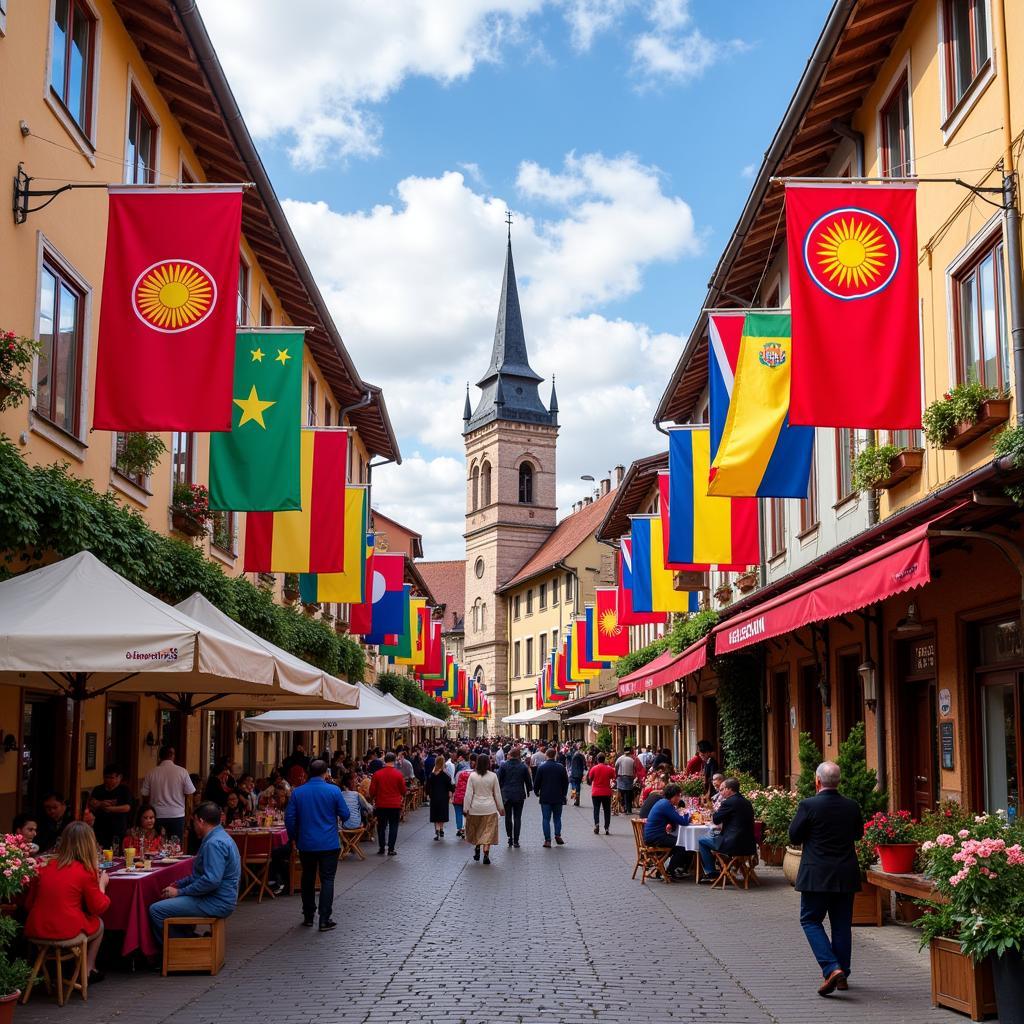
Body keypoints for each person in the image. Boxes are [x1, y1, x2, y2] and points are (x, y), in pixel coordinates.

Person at [788, 761, 863, 997]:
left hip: (816, 874)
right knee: (841, 925)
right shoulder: (852, 806)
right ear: (838, 782)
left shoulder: (808, 805)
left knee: (810, 920)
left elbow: (794, 834)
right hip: (845, 873)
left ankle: (831, 968)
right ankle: (842, 974)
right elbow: (858, 834)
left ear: (817, 781)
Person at [26, 821, 110, 985]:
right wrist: (102, 885)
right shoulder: (85, 871)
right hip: (65, 930)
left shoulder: (44, 865)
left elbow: (29, 904)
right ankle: (88, 970)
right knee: (99, 924)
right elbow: (98, 907)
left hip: (36, 927)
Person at [149, 801, 241, 946]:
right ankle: (191, 940)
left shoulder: (213, 843)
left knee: (156, 910)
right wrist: (179, 885)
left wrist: (179, 892)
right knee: (168, 903)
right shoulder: (221, 836)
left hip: (215, 901)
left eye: (193, 822)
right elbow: (201, 876)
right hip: (219, 898)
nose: (192, 826)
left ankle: (180, 949)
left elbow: (211, 881)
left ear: (201, 821)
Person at [285, 760, 350, 931]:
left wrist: (294, 837)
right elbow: (345, 814)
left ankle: (308, 916)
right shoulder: (334, 790)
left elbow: (289, 819)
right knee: (327, 880)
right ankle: (324, 918)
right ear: (325, 773)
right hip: (328, 842)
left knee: (308, 877)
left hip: (306, 843)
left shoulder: (298, 793)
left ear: (308, 773)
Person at [698, 777, 757, 882]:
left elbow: (716, 820)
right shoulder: (746, 802)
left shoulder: (728, 802)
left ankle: (711, 872)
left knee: (702, 840)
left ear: (729, 789)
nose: (720, 792)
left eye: (722, 789)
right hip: (749, 845)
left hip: (733, 845)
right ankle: (725, 868)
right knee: (713, 835)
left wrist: (712, 810)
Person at [141, 746, 196, 841]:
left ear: (160, 757)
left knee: (157, 845)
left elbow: (145, 795)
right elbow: (190, 795)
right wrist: (188, 818)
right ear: (172, 756)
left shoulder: (151, 773)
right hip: (177, 815)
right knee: (176, 847)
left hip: (157, 815)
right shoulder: (182, 772)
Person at [642, 783, 692, 880]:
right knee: (683, 845)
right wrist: (687, 814)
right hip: (656, 837)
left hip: (651, 836)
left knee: (677, 843)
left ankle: (659, 867)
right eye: (678, 796)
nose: (679, 798)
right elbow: (683, 822)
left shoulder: (662, 802)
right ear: (674, 796)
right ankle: (670, 871)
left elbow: (672, 820)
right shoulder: (666, 805)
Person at [462, 753, 504, 865]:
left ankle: (477, 847)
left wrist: (465, 808)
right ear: (488, 763)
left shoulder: (472, 776)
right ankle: (486, 853)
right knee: (488, 831)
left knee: (477, 829)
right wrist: (501, 808)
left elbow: (468, 794)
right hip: (489, 808)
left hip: (475, 808)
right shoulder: (493, 776)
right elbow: (497, 794)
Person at [88, 764, 134, 849]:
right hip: (100, 828)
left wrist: (110, 809)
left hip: (118, 829)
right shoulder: (98, 789)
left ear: (119, 777)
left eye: (111, 778)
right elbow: (91, 803)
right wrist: (100, 803)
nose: (108, 780)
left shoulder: (124, 790)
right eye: (106, 777)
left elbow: (127, 807)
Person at [368, 752, 406, 856]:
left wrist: (373, 798)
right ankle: (391, 848)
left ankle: (381, 847)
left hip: (381, 804)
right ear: (394, 761)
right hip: (394, 805)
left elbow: (372, 790)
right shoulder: (398, 774)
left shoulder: (377, 774)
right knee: (394, 826)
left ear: (384, 761)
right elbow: (403, 790)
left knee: (381, 826)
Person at [497, 746, 532, 849]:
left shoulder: (504, 766)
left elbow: (499, 780)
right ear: (518, 756)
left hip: (506, 794)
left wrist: (499, 791)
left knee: (508, 817)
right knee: (517, 817)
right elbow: (528, 780)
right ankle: (516, 840)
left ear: (510, 755)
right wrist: (529, 790)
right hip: (519, 794)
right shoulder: (523, 766)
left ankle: (509, 838)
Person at [534, 748, 569, 849]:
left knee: (546, 818)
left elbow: (537, 782)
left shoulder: (542, 767)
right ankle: (557, 835)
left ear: (546, 755)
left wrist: (537, 792)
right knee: (557, 818)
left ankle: (547, 840)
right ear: (555, 755)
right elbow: (565, 783)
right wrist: (564, 794)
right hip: (558, 796)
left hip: (545, 797)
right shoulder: (561, 767)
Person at [426, 756, 455, 840]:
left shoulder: (432, 775)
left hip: (434, 796)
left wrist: (428, 794)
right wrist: (451, 792)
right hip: (443, 797)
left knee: (435, 813)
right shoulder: (445, 775)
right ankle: (441, 829)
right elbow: (451, 786)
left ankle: (437, 830)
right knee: (442, 813)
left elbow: (428, 786)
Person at [586, 753, 616, 835]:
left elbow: (590, 780)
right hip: (606, 792)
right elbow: (614, 777)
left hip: (596, 792)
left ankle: (597, 824)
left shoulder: (594, 768)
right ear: (604, 759)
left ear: (597, 760)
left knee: (596, 809)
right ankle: (606, 827)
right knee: (607, 810)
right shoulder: (609, 769)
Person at [452, 754, 475, 838]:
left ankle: (459, 828)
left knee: (458, 813)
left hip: (458, 796)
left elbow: (455, 784)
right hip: (468, 798)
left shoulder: (459, 773)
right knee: (467, 813)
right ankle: (466, 828)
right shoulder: (474, 775)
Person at [614, 747, 637, 815]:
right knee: (628, 794)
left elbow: (616, 767)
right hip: (629, 778)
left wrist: (616, 775)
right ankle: (628, 810)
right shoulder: (632, 760)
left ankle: (622, 808)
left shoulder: (620, 758)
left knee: (621, 794)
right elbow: (634, 768)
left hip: (621, 777)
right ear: (629, 753)